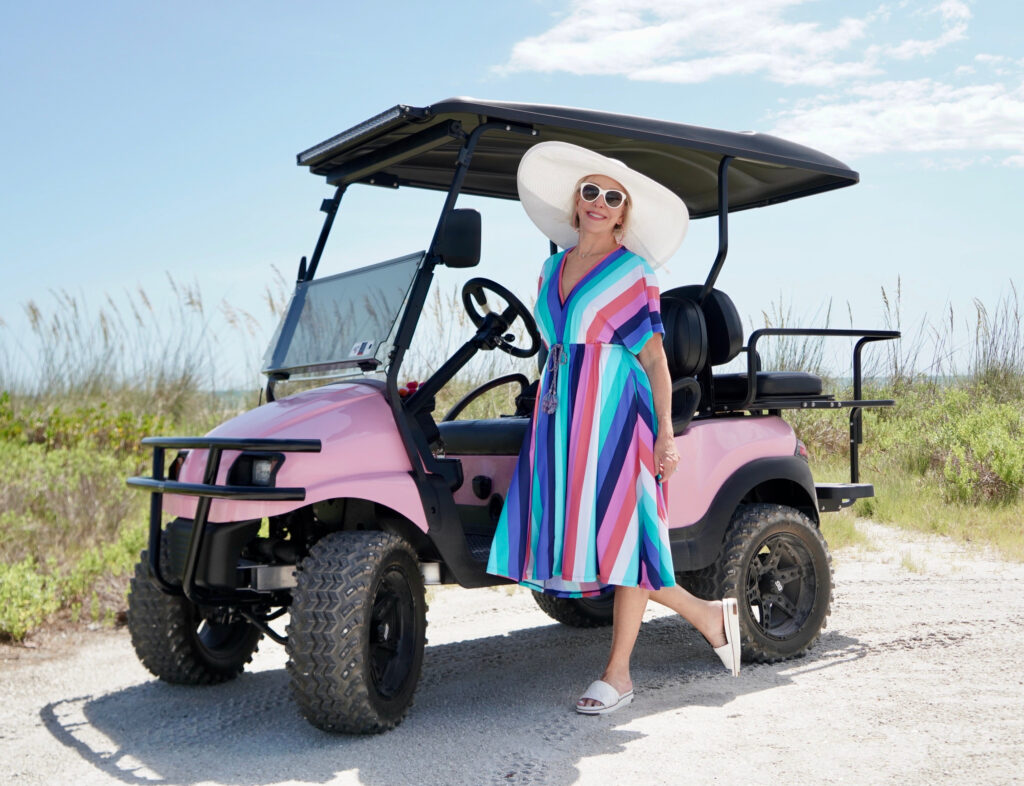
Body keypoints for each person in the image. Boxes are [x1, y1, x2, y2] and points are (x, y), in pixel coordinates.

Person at [487, 141, 741, 715]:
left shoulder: (632, 272)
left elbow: (654, 359)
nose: (599, 203)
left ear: (624, 213)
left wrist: (667, 435)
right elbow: (556, 347)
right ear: (575, 205)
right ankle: (707, 616)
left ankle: (619, 674)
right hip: (561, 417)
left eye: (613, 197)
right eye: (590, 192)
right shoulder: (551, 268)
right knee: (600, 540)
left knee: (626, 536)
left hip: (618, 416)